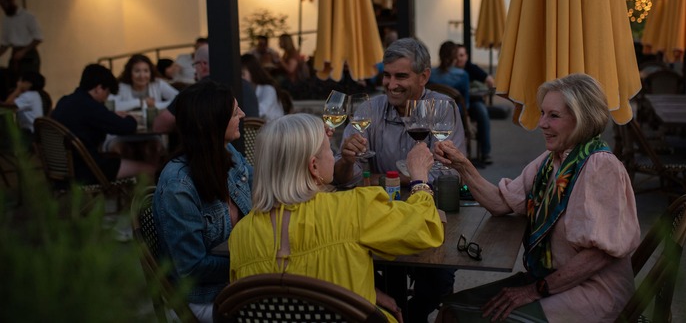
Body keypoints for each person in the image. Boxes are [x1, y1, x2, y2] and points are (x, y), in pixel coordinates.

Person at [435, 73, 640, 322]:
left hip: (592, 293)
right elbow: (501, 203)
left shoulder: (600, 166)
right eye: (543, 113)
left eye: (553, 116)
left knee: (463, 318)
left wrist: (534, 290)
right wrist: (462, 165)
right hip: (551, 280)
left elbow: (599, 255)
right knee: (451, 310)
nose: (542, 123)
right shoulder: (551, 160)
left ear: (582, 119)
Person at [229, 114, 444, 323]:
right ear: (314, 167)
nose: (334, 156)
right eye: (329, 150)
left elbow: (285, 289)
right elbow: (425, 228)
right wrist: (420, 179)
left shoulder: (241, 234)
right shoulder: (353, 208)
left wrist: (371, 291)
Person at [334, 37, 467, 322]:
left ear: (424, 76)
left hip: (433, 214)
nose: (391, 84)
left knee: (438, 283)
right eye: (387, 75)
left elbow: (450, 173)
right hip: (381, 217)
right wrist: (346, 161)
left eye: (401, 76)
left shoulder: (443, 108)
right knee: (364, 270)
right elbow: (346, 180)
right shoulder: (369, 109)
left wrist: (385, 177)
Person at [153, 80, 252, 323]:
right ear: (212, 122)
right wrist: (251, 260)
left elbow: (266, 187)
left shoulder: (229, 153)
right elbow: (192, 268)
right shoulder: (178, 186)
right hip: (204, 297)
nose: (243, 114)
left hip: (237, 281)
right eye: (234, 111)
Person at [50, 64, 155, 185]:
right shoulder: (91, 106)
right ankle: (142, 203)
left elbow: (95, 119)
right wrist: (131, 117)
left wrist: (110, 114)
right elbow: (126, 127)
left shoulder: (65, 101)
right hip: (86, 170)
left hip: (61, 168)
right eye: (107, 92)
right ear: (99, 88)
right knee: (150, 169)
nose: (106, 98)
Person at [152, 44, 259, 134]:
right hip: (251, 152)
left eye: (195, 65)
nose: (194, 70)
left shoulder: (199, 90)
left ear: (203, 65)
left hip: (216, 154)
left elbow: (160, 125)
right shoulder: (246, 85)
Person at [455, 44, 494, 164]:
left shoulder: (470, 68)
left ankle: (485, 152)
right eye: (456, 56)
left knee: (482, 112)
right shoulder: (449, 71)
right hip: (455, 104)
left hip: (472, 103)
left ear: (466, 56)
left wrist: (488, 93)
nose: (459, 59)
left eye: (461, 55)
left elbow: (490, 80)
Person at [0, 0, 43, 92]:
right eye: (1, 5)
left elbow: (38, 37)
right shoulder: (6, 20)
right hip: (15, 54)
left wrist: (23, 52)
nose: (3, 7)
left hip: (29, 54)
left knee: (29, 84)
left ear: (12, 0)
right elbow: (5, 43)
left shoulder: (28, 16)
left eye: (5, 3)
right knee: (13, 84)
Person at [109, 54, 179, 111]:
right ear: (129, 73)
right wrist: (141, 102)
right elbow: (111, 106)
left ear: (150, 72)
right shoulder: (122, 86)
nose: (142, 76)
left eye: (146, 71)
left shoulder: (158, 83)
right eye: (137, 71)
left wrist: (155, 105)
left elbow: (178, 98)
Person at [1, 70, 46, 146]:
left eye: (21, 81)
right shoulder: (34, 94)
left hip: (30, 133)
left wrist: (17, 90)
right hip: (35, 132)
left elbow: (7, 104)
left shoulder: (28, 96)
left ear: (29, 84)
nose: (18, 83)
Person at [240, 54, 284, 122]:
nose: (241, 78)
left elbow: (259, 112)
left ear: (253, 72)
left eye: (243, 74)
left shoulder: (268, 89)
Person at [429, 41, 471, 111]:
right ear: (455, 57)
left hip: (431, 115)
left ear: (439, 55)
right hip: (453, 117)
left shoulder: (429, 74)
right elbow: (465, 104)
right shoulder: (462, 75)